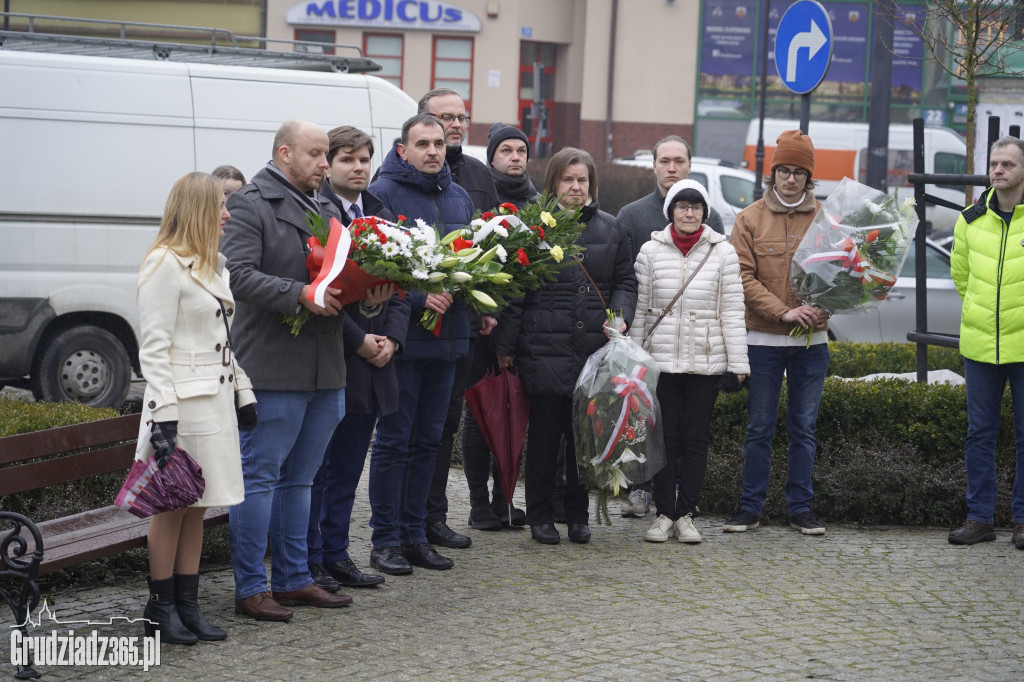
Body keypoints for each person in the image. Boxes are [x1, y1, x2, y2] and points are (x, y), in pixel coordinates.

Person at [222, 120, 372, 621]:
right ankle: (250, 587)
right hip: (271, 365)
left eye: (327, 155)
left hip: (324, 367)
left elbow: (338, 277)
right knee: (261, 477)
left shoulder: (327, 206)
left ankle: (292, 579)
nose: (326, 164)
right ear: (284, 153)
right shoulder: (251, 202)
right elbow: (238, 277)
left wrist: (368, 294)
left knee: (301, 480)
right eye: (317, 155)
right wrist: (302, 295)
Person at [492, 146, 637, 545]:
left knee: (584, 440)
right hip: (544, 348)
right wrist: (505, 346)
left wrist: (620, 316)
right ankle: (539, 514)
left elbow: (624, 280)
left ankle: (578, 515)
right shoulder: (532, 227)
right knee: (543, 437)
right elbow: (516, 291)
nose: (576, 187)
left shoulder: (612, 228)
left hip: (593, 350)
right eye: (568, 180)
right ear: (554, 182)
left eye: (582, 180)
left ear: (592, 185)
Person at [136, 171, 255, 644]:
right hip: (180, 405)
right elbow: (154, 345)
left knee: (199, 507)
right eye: (220, 205)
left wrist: (243, 391)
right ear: (197, 210)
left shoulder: (214, 265)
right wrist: (163, 411)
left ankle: (188, 605)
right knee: (171, 506)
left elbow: (223, 341)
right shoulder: (163, 263)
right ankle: (159, 608)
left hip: (214, 401)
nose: (227, 214)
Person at [366, 114, 477, 573]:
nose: (433, 151)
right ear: (402, 150)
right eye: (422, 144)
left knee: (429, 442)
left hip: (447, 342)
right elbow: (373, 266)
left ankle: (416, 534)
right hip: (405, 342)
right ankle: (385, 539)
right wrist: (415, 298)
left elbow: (471, 261)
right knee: (394, 442)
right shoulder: (384, 193)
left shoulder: (459, 196)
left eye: (437, 143)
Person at [306, 126, 408, 591]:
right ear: (329, 164)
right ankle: (309, 560)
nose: (359, 167)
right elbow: (321, 294)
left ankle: (337, 553)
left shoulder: (383, 215)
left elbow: (404, 288)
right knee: (318, 470)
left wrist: (392, 341)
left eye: (365, 159)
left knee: (348, 468)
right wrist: (360, 338)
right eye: (348, 159)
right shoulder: (318, 216)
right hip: (334, 359)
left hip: (374, 363)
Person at [628, 179, 748, 544]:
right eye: (682, 205)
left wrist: (739, 363)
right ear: (671, 211)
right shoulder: (650, 251)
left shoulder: (723, 253)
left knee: (695, 440)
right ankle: (664, 513)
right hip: (661, 364)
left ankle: (687, 514)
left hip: (704, 365)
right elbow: (640, 312)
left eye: (696, 206)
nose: (689, 212)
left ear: (705, 212)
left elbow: (731, 310)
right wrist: (632, 359)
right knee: (664, 441)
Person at [724, 129, 829, 536]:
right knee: (759, 428)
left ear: (808, 177)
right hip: (763, 342)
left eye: (799, 172)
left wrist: (826, 309)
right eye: (784, 170)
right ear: (773, 173)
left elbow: (844, 277)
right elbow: (742, 279)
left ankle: (800, 508)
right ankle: (750, 507)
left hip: (811, 344)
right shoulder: (748, 219)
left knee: (804, 429)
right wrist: (783, 313)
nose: (790, 179)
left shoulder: (827, 220)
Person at [615, 135, 724, 519]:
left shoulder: (711, 219)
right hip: (655, 342)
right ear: (654, 165)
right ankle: (642, 489)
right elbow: (628, 281)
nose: (671, 166)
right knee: (650, 424)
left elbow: (723, 293)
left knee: (688, 434)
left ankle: (681, 504)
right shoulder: (630, 215)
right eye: (665, 160)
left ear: (689, 165)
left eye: (679, 160)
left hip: (697, 350)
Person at [416, 89, 503, 547]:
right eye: (444, 117)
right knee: (411, 431)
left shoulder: (476, 176)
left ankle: (435, 516)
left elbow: (486, 245)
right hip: (417, 324)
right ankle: (405, 524)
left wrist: (485, 302)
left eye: (460, 117)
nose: (454, 125)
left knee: (446, 425)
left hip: (463, 322)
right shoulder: (397, 182)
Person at [948, 135, 1024, 547]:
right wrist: (982, 310)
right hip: (980, 346)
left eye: (1008, 164)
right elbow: (962, 276)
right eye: (994, 164)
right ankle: (979, 519)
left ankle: (1023, 520)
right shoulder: (970, 218)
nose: (998, 170)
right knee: (980, 434)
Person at [487, 122, 540, 208]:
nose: (516, 158)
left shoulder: (541, 205)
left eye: (521, 151)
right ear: (492, 159)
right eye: (506, 150)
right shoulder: (479, 198)